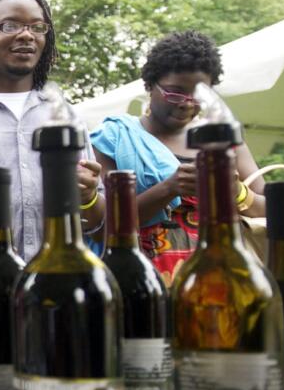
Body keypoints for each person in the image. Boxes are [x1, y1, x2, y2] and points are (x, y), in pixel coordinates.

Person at [90, 31, 266, 283]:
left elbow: (272, 211)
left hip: (219, 283)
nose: (186, 104)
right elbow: (102, 227)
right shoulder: (113, 138)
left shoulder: (223, 143)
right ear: (150, 85)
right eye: (174, 93)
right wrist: (169, 189)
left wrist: (238, 192)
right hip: (141, 283)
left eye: (197, 95)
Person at [0, 0, 106, 262]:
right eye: (10, 25)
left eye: (37, 27)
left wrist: (89, 195)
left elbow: (96, 224)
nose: (26, 35)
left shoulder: (65, 117)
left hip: (54, 284)